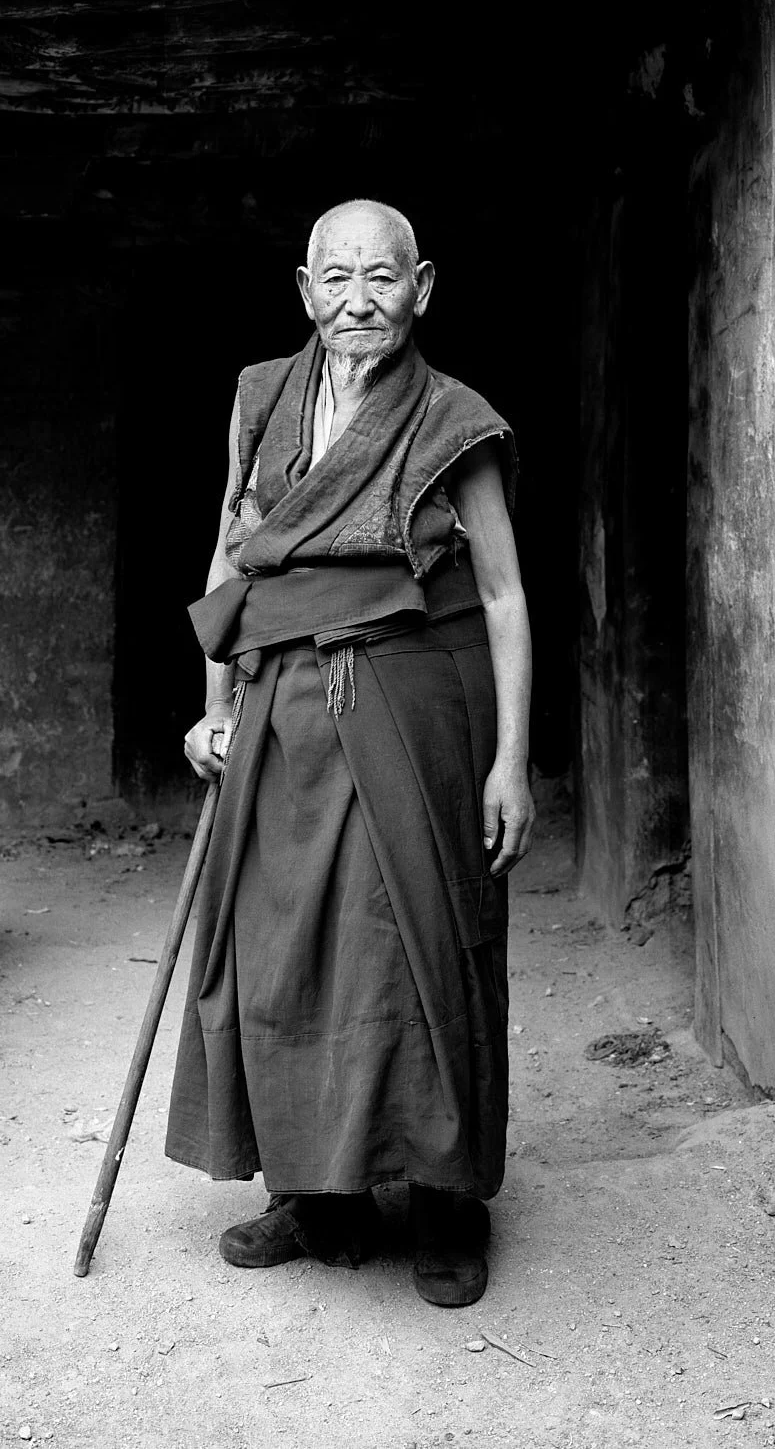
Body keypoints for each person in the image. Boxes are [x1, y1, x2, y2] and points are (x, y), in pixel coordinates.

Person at [166, 199, 534, 1307]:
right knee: (282, 946)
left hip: (411, 714)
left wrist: (512, 762)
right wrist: (212, 705)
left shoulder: (454, 420)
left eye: (382, 279)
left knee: (415, 948)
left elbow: (508, 596)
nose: (357, 301)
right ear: (304, 288)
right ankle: (314, 1193)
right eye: (337, 279)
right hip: (280, 714)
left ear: (421, 290)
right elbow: (236, 557)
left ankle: (441, 1200)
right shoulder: (263, 398)